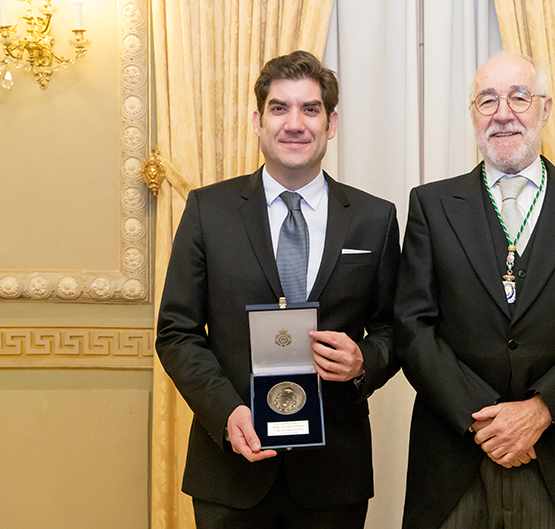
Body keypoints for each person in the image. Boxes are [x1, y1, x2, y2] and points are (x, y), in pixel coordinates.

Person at [155, 50, 400, 528]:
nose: (295, 123)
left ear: (331, 124)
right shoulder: (209, 210)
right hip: (231, 469)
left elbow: (395, 328)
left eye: (310, 109)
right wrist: (226, 413)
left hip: (334, 474)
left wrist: (363, 362)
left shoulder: (375, 218)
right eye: (279, 108)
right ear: (257, 120)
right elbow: (177, 331)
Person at [394, 53, 555, 529]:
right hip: (453, 461)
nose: (502, 112)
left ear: (545, 109)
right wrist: (486, 420)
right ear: (473, 114)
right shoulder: (432, 205)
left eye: (519, 97)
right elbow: (412, 326)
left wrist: (540, 411)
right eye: (488, 99)